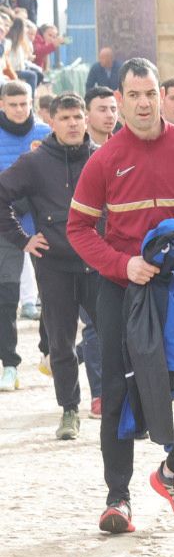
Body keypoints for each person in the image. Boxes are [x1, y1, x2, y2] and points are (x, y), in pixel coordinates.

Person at [66, 58, 174, 534]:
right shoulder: (105, 159)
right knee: (116, 391)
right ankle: (118, 497)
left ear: (163, 96)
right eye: (132, 95)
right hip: (123, 290)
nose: (142, 103)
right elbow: (79, 228)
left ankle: (173, 472)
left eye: (150, 94)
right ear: (118, 101)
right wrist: (123, 265)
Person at [0, 92, 98, 434]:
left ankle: (118, 405)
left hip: (98, 263)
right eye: (65, 118)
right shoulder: (35, 162)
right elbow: (2, 195)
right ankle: (69, 410)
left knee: (113, 335)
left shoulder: (101, 158)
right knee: (60, 342)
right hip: (54, 264)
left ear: (86, 119)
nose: (72, 123)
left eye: (77, 117)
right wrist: (22, 238)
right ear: (51, 122)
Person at [0, 79, 48, 391]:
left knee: (54, 292)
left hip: (44, 222)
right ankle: (9, 364)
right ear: (2, 104)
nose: (20, 109)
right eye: (13, 104)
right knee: (7, 295)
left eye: (24, 103)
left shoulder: (45, 133)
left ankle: (48, 351)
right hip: (6, 224)